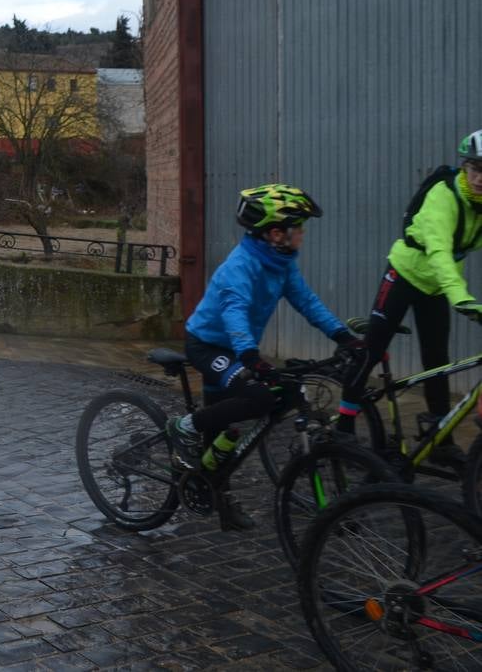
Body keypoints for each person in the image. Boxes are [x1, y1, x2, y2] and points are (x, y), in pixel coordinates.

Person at [167, 184, 359, 528]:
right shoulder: (240, 267)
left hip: (239, 349)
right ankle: (184, 427)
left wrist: (341, 335)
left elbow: (307, 301)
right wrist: (251, 357)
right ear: (275, 233)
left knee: (231, 429)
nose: (301, 234)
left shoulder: (281, 263)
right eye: (296, 227)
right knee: (257, 397)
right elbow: (234, 312)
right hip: (209, 346)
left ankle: (217, 497)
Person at [336, 132, 482, 464]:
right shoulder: (444, 197)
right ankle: (342, 430)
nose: (479, 178)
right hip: (403, 275)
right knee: (371, 350)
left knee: (438, 362)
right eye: (475, 168)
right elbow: (440, 254)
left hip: (434, 287)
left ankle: (439, 438)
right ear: (465, 167)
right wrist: (461, 298)